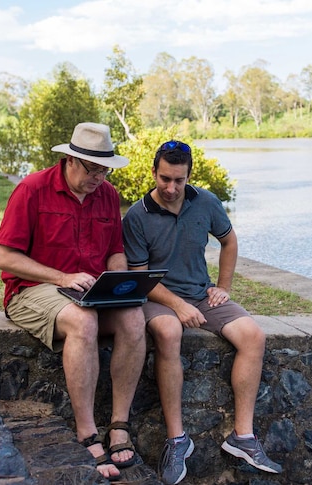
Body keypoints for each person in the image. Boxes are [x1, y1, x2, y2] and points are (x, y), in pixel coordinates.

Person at [122, 140, 282, 484]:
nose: (171, 187)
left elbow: (229, 240)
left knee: (253, 336)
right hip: (157, 298)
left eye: (179, 180)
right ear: (153, 172)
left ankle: (243, 436)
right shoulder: (136, 216)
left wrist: (223, 287)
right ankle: (177, 440)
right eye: (165, 178)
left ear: (189, 176)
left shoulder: (206, 201)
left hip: (200, 294)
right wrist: (177, 305)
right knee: (168, 332)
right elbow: (139, 276)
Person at [0, 122, 145, 482]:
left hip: (89, 291)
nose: (99, 177)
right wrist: (61, 277)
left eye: (104, 169)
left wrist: (119, 281)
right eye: (92, 169)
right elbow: (2, 256)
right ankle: (87, 432)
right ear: (70, 160)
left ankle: (119, 425)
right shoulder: (32, 189)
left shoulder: (108, 194)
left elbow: (115, 251)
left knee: (135, 318)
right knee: (82, 321)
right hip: (33, 290)